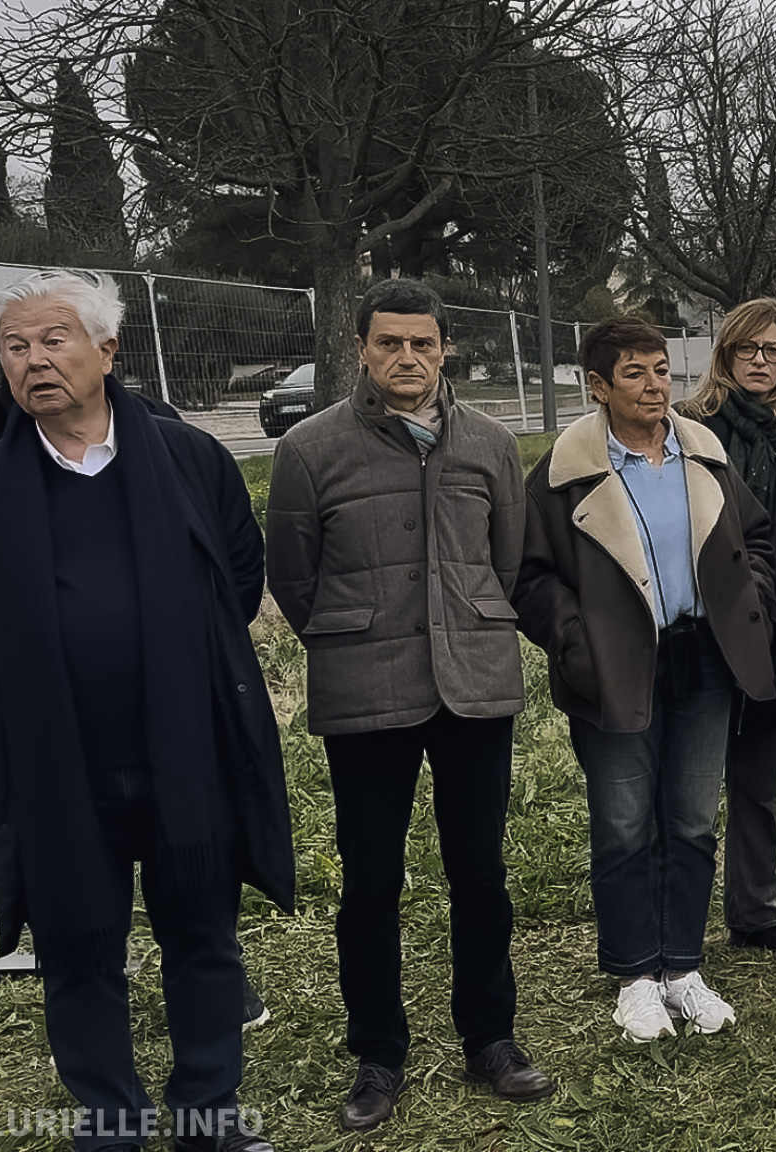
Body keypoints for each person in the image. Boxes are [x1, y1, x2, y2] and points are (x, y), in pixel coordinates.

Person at [0, 269, 291, 1152]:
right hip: (56, 774)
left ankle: (208, 1117)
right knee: (77, 955)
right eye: (16, 347)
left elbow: (237, 578)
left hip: (185, 755)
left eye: (54, 339)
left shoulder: (188, 457)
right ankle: (111, 1122)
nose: (34, 361)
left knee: (202, 945)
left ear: (107, 350)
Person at [265, 278, 551, 1130]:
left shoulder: (492, 443)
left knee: (480, 872)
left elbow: (508, 560)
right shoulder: (311, 448)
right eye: (390, 343)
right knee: (370, 882)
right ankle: (378, 1053)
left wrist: (464, 625)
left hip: (472, 689)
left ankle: (490, 1037)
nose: (407, 358)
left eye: (422, 343)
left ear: (444, 349)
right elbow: (292, 573)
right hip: (366, 690)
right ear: (362, 348)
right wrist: (353, 635)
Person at [512, 316, 776, 1045]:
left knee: (692, 821)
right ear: (597, 386)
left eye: (661, 369)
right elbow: (529, 577)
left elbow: (754, 538)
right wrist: (574, 641)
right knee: (625, 826)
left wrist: (752, 595)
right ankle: (636, 977)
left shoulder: (703, 452)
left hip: (705, 660)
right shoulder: (566, 473)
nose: (655, 385)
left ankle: (683, 969)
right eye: (634, 373)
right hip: (613, 668)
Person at [675, 298, 776, 953]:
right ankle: (672, 923)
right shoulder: (687, 428)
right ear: (726, 354)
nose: (761, 362)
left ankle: (755, 913)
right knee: (685, 794)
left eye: (774, 351)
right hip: (699, 631)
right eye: (749, 350)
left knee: (757, 786)